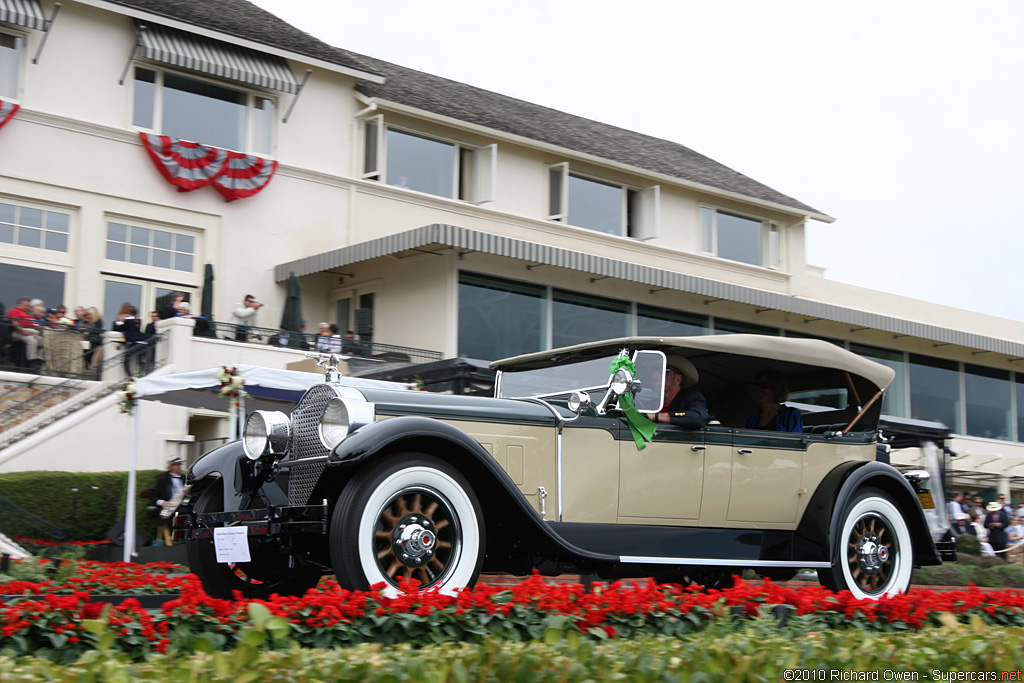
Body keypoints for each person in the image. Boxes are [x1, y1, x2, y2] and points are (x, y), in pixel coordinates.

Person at [649, 357, 709, 429]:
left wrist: (657, 417)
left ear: (678, 379)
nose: (654, 375)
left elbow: (699, 418)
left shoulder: (691, 397)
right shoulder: (650, 404)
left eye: (664, 370)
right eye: (653, 371)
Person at [746, 368, 803, 432]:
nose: (758, 390)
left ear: (776, 388)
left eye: (764, 386)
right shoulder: (754, 418)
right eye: (756, 387)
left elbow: (795, 440)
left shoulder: (791, 414)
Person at [152, 457, 187, 546]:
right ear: (170, 466)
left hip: (182, 505)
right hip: (168, 506)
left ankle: (185, 538)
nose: (179, 467)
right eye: (176, 464)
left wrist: (186, 496)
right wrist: (162, 502)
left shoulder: (184, 478)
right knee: (182, 513)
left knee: (191, 511)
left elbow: (191, 496)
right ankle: (177, 539)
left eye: (180, 464)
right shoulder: (162, 479)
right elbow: (153, 497)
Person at [113, 303, 148, 377]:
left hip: (133, 342)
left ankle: (130, 376)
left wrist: (119, 321)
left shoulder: (128, 321)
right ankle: (139, 375)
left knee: (126, 360)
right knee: (140, 361)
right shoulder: (138, 320)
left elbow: (120, 328)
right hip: (142, 342)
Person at [7, 297, 41, 368]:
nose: (27, 307)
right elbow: (15, 323)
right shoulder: (14, 311)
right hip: (18, 332)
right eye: (26, 305)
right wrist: (23, 331)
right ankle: (32, 361)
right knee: (31, 340)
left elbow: (35, 325)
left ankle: (39, 359)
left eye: (28, 306)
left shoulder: (27, 314)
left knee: (44, 342)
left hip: (32, 331)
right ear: (20, 303)